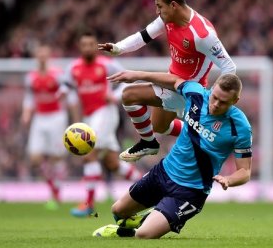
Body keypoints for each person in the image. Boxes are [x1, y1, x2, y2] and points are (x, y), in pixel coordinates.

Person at [92, 71, 252, 239]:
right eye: (215, 97)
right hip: (163, 171)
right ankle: (154, 216)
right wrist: (135, 75)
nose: (216, 104)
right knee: (118, 211)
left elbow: (245, 172)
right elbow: (173, 80)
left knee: (144, 235)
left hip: (190, 191)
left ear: (235, 101)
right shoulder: (196, 93)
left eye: (223, 102)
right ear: (211, 89)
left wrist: (228, 180)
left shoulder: (240, 128)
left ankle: (132, 228)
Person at [98, 0, 236, 162]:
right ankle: (193, 134)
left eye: (159, 6)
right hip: (171, 83)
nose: (157, 11)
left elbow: (229, 67)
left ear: (173, 5)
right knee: (159, 126)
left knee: (129, 95)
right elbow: (144, 35)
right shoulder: (167, 18)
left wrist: (216, 98)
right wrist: (118, 48)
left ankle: (151, 143)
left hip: (189, 91)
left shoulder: (202, 35)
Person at [61, 30, 143, 217]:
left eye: (91, 44)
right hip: (89, 117)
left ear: (96, 46)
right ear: (80, 47)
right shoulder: (74, 68)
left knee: (89, 153)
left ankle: (89, 204)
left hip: (106, 112)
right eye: (84, 45)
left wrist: (114, 96)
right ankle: (148, 185)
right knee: (113, 163)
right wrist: (63, 91)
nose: (88, 48)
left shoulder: (107, 65)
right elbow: (66, 84)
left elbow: (126, 79)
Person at [21, 44, 70, 210]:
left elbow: (66, 88)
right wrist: (26, 113)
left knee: (56, 157)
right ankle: (53, 188)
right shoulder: (31, 77)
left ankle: (56, 192)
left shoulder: (56, 74)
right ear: (36, 57)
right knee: (35, 158)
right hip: (39, 118)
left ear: (48, 56)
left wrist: (63, 93)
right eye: (39, 55)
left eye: (44, 55)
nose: (41, 58)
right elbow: (29, 98)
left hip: (56, 117)